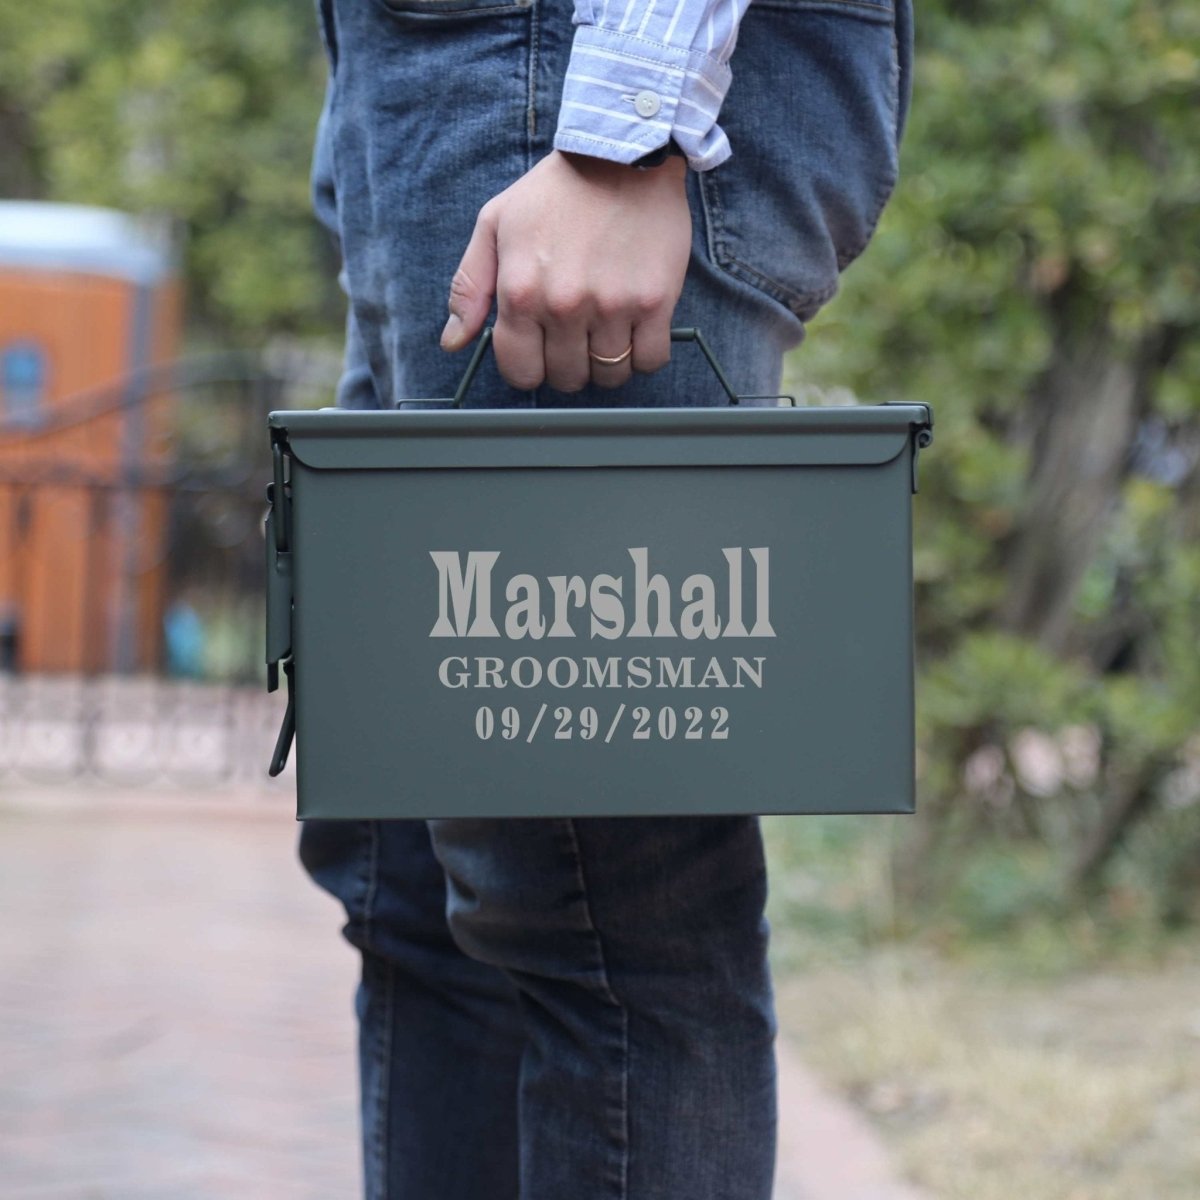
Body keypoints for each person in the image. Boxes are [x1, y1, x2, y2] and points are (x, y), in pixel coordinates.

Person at [298, 0, 912, 1196]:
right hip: (430, 91)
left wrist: (628, 124)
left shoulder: (603, 128)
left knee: (601, 920)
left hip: (560, 81)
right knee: (416, 888)